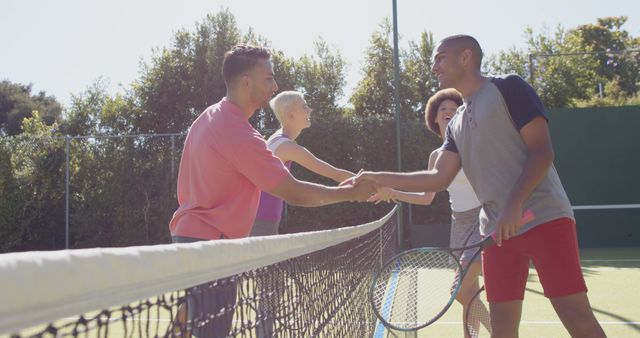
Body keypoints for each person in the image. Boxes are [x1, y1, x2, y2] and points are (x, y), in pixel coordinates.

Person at [347, 35, 606, 338]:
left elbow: (542, 151)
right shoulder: (455, 124)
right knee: (502, 327)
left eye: (440, 57)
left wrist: (514, 204)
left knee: (576, 316)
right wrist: (379, 177)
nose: (434, 67)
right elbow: (437, 178)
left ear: (466, 57)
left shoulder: (510, 87)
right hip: (496, 233)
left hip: (545, 218)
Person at [168, 45, 377, 338]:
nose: (275, 86)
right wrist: (349, 194)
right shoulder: (238, 133)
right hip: (212, 244)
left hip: (193, 237)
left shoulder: (209, 116)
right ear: (246, 82)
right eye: (268, 78)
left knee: (186, 325)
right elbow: (293, 192)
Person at [369, 88, 490, 337]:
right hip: (459, 223)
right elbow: (426, 198)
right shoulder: (436, 156)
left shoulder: (476, 144)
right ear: (434, 118)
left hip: (484, 218)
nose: (448, 112)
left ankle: (501, 332)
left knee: (460, 290)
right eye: (442, 110)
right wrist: (392, 191)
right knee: (469, 294)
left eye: (454, 109)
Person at [251, 90, 355, 237]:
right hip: (261, 222)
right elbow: (334, 173)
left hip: (259, 219)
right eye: (304, 107)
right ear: (291, 115)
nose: (310, 110)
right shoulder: (286, 146)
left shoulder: (276, 139)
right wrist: (374, 184)